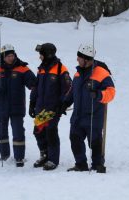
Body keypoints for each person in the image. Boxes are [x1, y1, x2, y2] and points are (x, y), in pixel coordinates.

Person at [62, 43, 116, 173]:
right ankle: (80, 164)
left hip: (93, 116)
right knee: (75, 139)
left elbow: (111, 92)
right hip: (77, 116)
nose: (77, 60)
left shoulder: (102, 73)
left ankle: (97, 164)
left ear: (86, 59)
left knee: (95, 142)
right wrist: (64, 103)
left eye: (79, 58)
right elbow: (72, 92)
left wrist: (98, 94)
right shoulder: (77, 74)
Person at [0, 44, 36, 167]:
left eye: (12, 55)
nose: (11, 58)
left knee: (18, 132)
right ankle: (4, 155)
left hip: (17, 107)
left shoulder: (22, 68)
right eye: (8, 56)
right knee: (1, 132)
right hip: (1, 107)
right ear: (3, 56)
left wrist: (34, 86)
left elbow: (33, 84)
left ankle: (19, 157)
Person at [29, 43, 72, 170]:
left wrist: (62, 105)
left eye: (41, 54)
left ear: (48, 55)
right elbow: (36, 87)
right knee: (38, 131)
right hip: (40, 108)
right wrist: (32, 103)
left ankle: (53, 160)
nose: (39, 57)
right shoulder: (41, 68)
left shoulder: (61, 69)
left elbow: (69, 89)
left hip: (53, 109)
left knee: (51, 132)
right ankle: (45, 155)